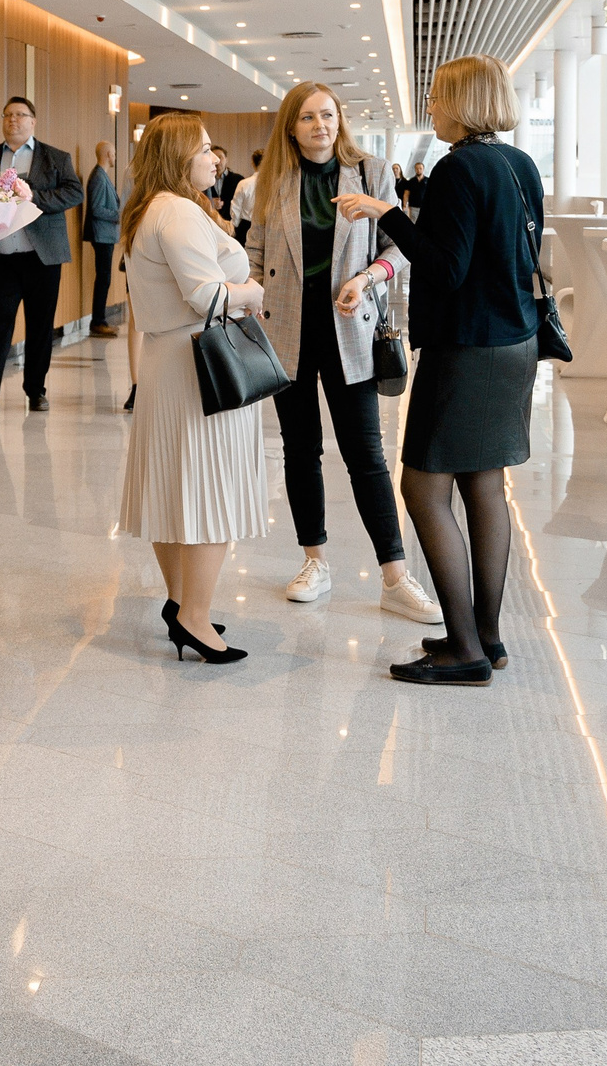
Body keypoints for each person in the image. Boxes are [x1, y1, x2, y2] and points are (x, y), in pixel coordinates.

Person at [337, 55, 542, 687]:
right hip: (515, 343)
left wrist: (388, 214)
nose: (430, 106)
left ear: (463, 102)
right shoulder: (520, 163)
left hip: (466, 350)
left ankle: (463, 650)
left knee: (424, 489)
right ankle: (485, 635)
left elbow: (445, 268)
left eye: (437, 96)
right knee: (485, 485)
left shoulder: (458, 168)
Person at [247, 84, 441, 625]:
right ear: (291, 127)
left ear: (340, 120)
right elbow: (256, 253)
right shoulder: (274, 181)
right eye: (308, 117)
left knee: (366, 453)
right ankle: (314, 561)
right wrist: (247, 295)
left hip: (349, 327)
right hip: (286, 330)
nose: (321, 126)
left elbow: (399, 246)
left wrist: (366, 278)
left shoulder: (371, 173)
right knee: (299, 449)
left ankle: (395, 576)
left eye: (328, 115)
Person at [118, 112, 265, 665]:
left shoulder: (152, 209)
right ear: (178, 156)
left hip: (170, 360)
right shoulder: (177, 211)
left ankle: (182, 604)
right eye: (204, 149)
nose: (215, 158)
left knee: (173, 488)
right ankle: (195, 618)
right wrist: (251, 292)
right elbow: (207, 295)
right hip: (198, 363)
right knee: (208, 491)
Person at [0, 96, 83, 414]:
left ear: (33, 121)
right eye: (7, 115)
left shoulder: (55, 157)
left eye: (20, 114)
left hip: (42, 258)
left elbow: (75, 192)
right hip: (1, 256)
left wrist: (34, 197)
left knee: (40, 326)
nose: (13, 120)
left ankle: (35, 390)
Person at [84, 138, 122, 338]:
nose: (115, 157)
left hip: (106, 235)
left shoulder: (102, 175)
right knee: (103, 279)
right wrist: (119, 215)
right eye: (114, 153)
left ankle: (100, 320)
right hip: (102, 235)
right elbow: (96, 209)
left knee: (104, 279)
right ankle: (98, 321)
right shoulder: (99, 177)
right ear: (108, 154)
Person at [232, 148, 264, 242]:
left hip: (245, 226)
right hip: (265, 226)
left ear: (253, 163)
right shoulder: (273, 184)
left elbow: (236, 207)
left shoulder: (244, 183)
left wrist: (234, 225)